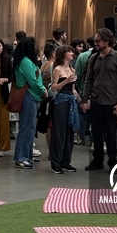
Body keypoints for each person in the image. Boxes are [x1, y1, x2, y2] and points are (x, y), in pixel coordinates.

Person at [81, 27, 117, 171]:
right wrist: (85, 99)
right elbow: (88, 80)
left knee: (111, 134)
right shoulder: (94, 58)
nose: (95, 43)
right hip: (96, 102)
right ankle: (97, 161)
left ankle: (113, 162)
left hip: (111, 103)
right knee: (96, 133)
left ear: (107, 41)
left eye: (98, 41)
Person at [13, 36, 46, 169]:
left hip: (32, 96)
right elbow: (33, 81)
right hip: (29, 96)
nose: (36, 48)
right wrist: (43, 90)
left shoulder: (26, 61)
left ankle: (27, 155)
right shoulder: (25, 62)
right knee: (26, 127)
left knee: (31, 127)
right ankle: (21, 157)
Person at [48, 45, 80, 174]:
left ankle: (66, 162)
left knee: (69, 132)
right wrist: (66, 81)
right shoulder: (57, 69)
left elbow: (73, 89)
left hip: (71, 101)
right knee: (59, 132)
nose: (72, 53)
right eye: (69, 51)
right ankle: (56, 162)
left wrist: (81, 100)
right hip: (60, 101)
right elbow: (53, 87)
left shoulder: (72, 69)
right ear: (64, 54)